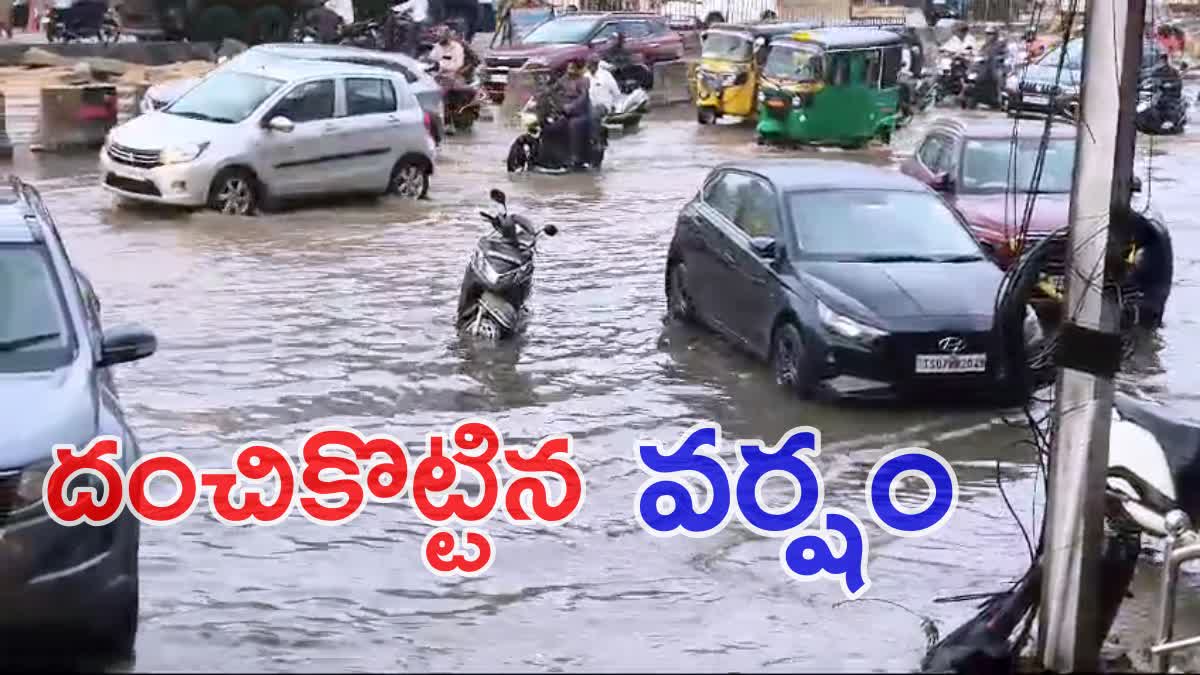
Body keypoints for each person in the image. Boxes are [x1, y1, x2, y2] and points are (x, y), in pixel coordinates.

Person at [556, 58, 594, 168]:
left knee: (574, 125)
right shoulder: (563, 80)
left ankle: (575, 156)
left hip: (580, 113)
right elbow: (553, 90)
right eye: (568, 68)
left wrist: (571, 107)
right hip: (564, 110)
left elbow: (583, 97)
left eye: (572, 68)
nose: (569, 70)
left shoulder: (584, 80)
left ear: (578, 69)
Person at [587, 54, 621, 119]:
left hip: (604, 106)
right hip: (589, 107)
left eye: (594, 63)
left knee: (594, 114)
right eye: (590, 63)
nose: (591, 65)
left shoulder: (606, 75)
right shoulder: (586, 76)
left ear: (597, 64)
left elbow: (616, 93)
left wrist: (615, 107)